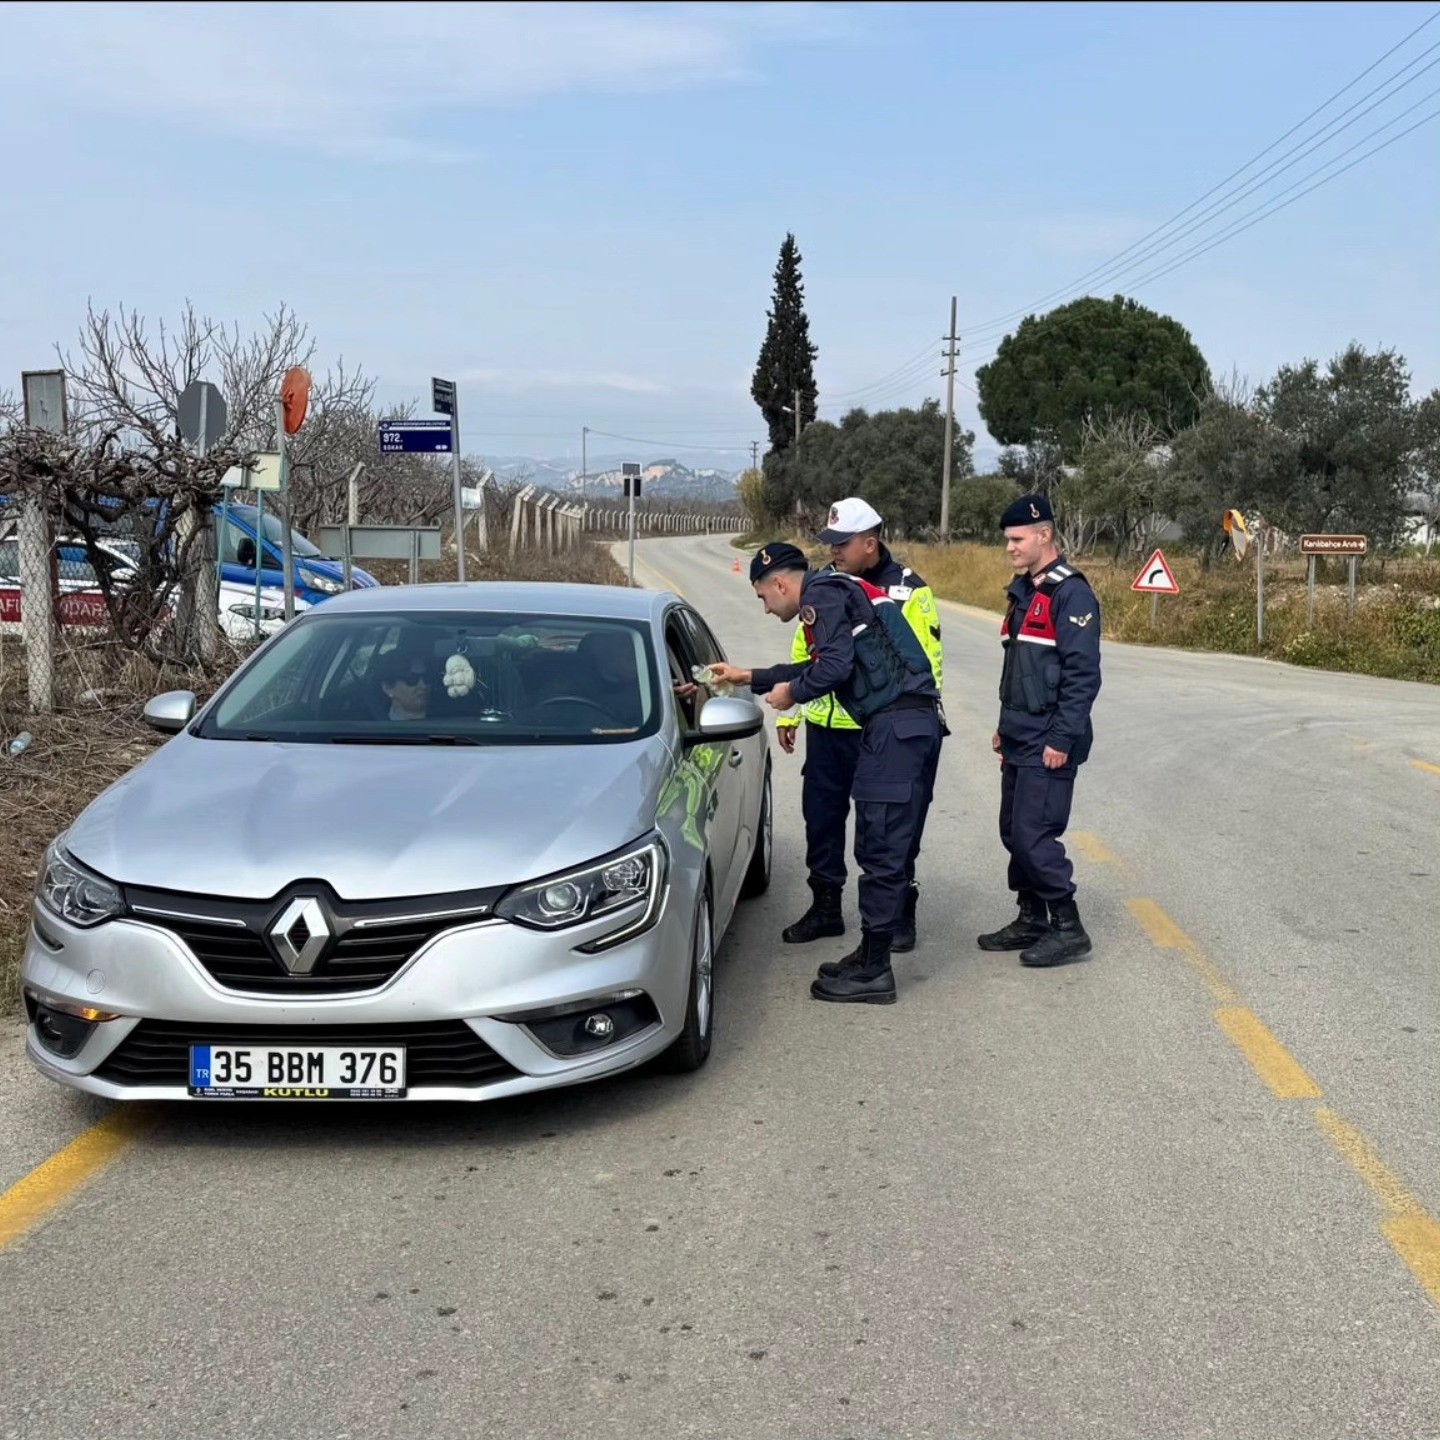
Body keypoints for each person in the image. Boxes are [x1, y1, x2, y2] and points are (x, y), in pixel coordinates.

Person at [708, 543, 943, 1005]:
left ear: (780, 584)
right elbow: (825, 662)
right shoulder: (835, 593)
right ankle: (870, 954)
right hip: (900, 726)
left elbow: (831, 669)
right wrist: (745, 677)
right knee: (876, 844)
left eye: (762, 597)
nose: (764, 607)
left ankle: (876, 971)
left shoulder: (822, 596)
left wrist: (790, 695)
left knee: (880, 847)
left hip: (896, 728)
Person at [774, 497, 944, 954]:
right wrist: (792, 710)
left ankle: (898, 913)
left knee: (893, 827)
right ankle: (826, 907)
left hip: (879, 733)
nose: (833, 551)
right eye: (829, 543)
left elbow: (927, 664)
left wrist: (913, 726)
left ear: (870, 543)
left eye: (841, 543)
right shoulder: (827, 584)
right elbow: (804, 648)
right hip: (827, 727)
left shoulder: (908, 590)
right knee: (822, 820)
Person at [979, 493, 1102, 968]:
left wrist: (1061, 739)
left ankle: (1069, 928)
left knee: (1034, 834)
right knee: (1013, 831)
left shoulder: (1071, 593)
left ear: (1044, 535)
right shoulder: (1025, 590)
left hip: (1050, 737)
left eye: (1017, 539)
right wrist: (1003, 727)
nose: (1009, 547)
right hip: (1020, 733)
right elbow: (1020, 669)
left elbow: (1082, 676)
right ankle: (1031, 916)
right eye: (1007, 540)